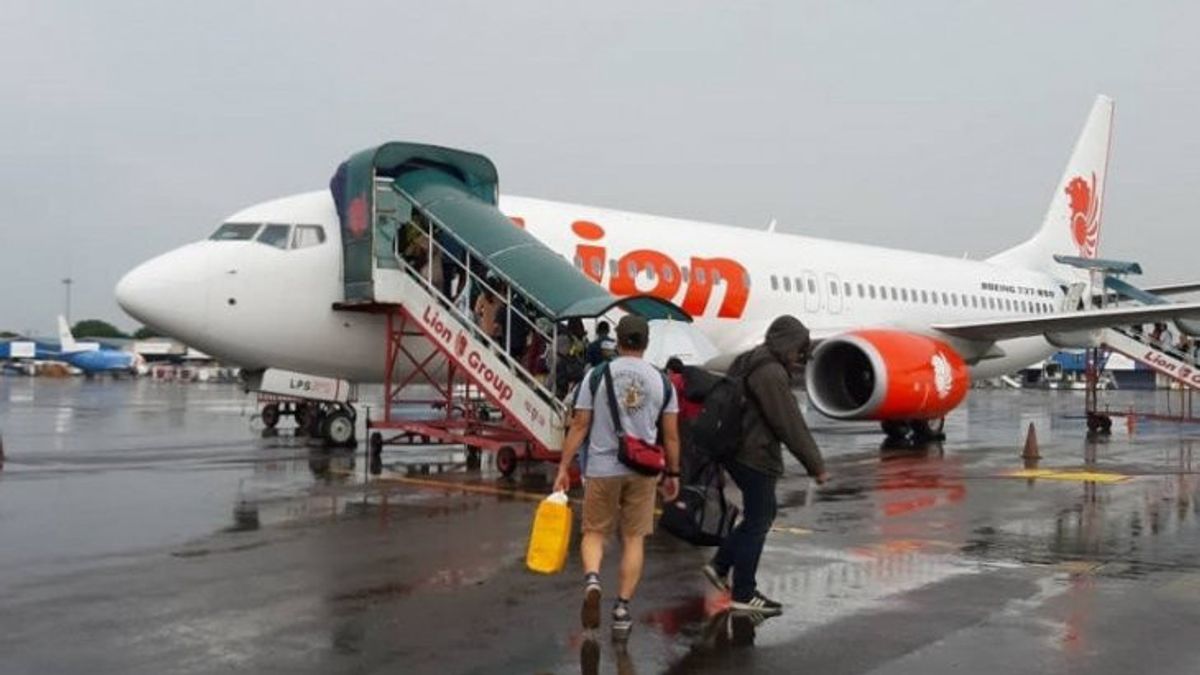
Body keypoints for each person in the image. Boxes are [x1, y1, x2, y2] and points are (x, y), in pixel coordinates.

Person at [553, 315, 681, 640]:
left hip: (602, 467)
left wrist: (563, 467)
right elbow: (671, 436)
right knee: (634, 539)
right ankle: (622, 609)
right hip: (643, 470)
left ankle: (593, 579)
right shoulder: (661, 382)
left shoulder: (596, 376)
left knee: (595, 533)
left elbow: (580, 424)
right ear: (646, 342)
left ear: (618, 341)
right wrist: (674, 473)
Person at [702, 315, 828, 615]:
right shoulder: (771, 373)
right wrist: (815, 464)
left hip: (734, 449)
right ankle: (744, 592)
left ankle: (720, 565)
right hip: (754, 454)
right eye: (799, 352)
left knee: (760, 514)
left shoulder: (747, 360)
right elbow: (788, 423)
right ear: (788, 346)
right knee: (759, 519)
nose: (800, 360)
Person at [665, 356, 705, 484]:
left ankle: (685, 483)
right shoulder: (691, 379)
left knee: (684, 453)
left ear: (669, 370)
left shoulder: (671, 380)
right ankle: (699, 482)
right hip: (699, 418)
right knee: (696, 453)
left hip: (684, 419)